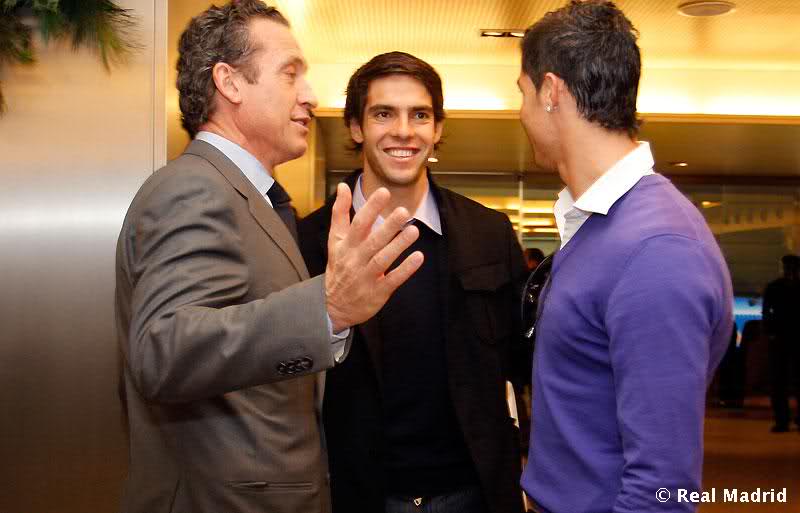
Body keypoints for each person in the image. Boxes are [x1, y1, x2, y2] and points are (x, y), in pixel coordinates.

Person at [114, 3, 423, 513]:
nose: (310, 95)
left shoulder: (252, 198)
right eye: (290, 73)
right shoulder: (195, 189)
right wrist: (327, 310)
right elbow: (163, 352)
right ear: (230, 82)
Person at [516, 2, 733, 512]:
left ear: (550, 92)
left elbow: (663, 490)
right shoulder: (601, 224)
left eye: (522, 94)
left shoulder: (658, 252)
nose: (520, 113)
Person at [298, 51, 527, 513]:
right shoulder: (307, 241)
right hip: (357, 496)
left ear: (437, 128)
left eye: (420, 115)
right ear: (356, 127)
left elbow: (523, 363)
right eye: (383, 114)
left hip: (475, 493)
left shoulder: (489, 232)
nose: (404, 131)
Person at [762, 254, 800, 433]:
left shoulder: (773, 287)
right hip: (794, 337)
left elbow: (766, 312)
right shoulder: (777, 287)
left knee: (779, 381)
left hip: (779, 338)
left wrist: (770, 332)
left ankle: (782, 420)